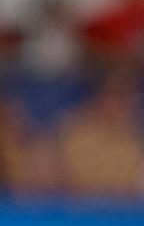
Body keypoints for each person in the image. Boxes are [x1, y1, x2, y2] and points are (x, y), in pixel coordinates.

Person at [54, 71, 144, 201]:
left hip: (123, 213)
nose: (116, 104)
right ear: (99, 99)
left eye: (123, 98)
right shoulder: (74, 135)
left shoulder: (135, 139)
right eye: (112, 96)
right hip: (79, 211)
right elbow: (75, 181)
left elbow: (131, 186)